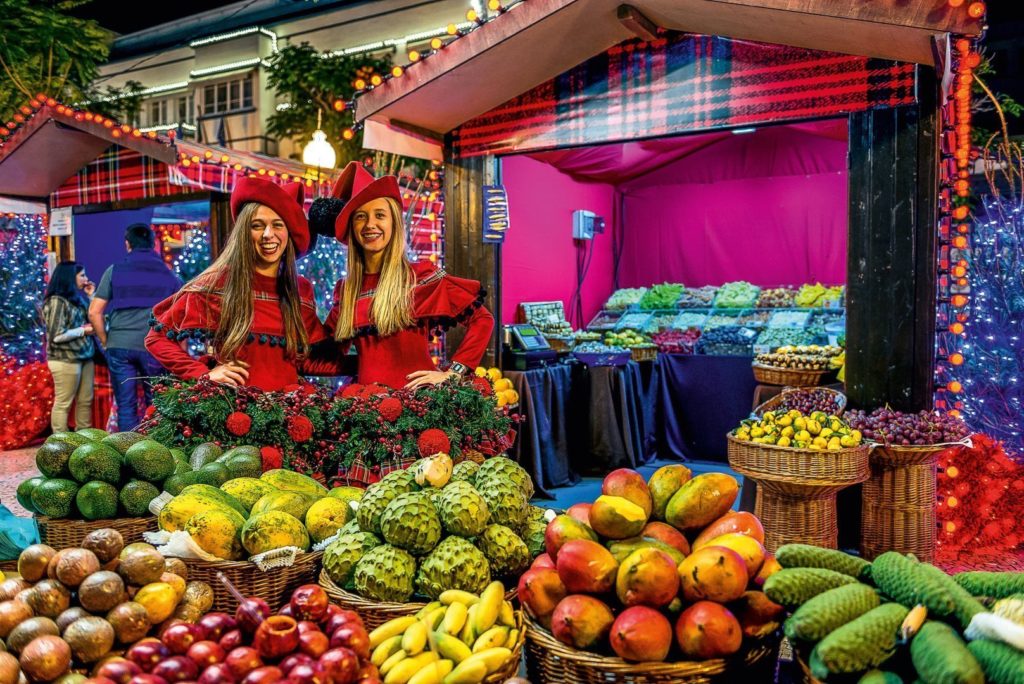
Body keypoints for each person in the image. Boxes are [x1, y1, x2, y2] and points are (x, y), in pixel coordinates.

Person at [317, 162, 494, 389]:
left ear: (394, 223)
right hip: (366, 411)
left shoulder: (421, 277)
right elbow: (324, 359)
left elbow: (482, 319)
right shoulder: (347, 291)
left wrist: (455, 371)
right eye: (360, 216)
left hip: (419, 408)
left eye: (379, 215)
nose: (370, 224)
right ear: (352, 227)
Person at [145, 177, 331, 391]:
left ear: (288, 233)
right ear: (244, 232)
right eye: (257, 225)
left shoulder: (300, 290)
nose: (268, 235)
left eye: (277, 225)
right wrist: (203, 374)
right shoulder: (218, 284)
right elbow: (156, 338)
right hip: (235, 412)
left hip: (290, 412)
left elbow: (307, 361)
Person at [89, 223, 182, 431]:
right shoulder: (169, 275)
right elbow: (180, 316)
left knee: (126, 405)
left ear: (127, 244)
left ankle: (126, 453)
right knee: (157, 405)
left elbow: (94, 312)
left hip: (120, 344)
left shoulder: (114, 270)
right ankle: (155, 454)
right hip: (155, 346)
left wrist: (106, 341)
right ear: (154, 244)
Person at [42, 261, 96, 432]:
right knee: (64, 402)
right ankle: (60, 443)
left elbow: (93, 318)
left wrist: (91, 296)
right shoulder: (56, 301)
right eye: (82, 275)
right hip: (64, 359)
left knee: (85, 401)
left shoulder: (76, 299)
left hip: (85, 356)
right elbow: (56, 335)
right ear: (70, 278)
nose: (86, 279)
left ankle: (84, 441)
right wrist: (82, 331)